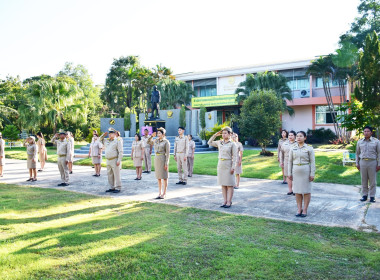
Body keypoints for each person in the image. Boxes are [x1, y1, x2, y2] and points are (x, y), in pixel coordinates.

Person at [208, 127, 237, 208]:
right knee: (223, 184)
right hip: (221, 164)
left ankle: (229, 201)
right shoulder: (219, 142)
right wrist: (215, 135)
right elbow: (209, 142)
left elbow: (235, 157)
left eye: (225, 133)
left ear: (230, 134)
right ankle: (224, 201)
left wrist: (233, 167)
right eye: (223, 133)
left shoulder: (232, 144)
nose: (224, 135)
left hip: (228, 164)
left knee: (229, 184)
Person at [288, 131, 315, 218]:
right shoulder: (292, 148)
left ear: (305, 138)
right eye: (297, 136)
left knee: (306, 191)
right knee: (297, 191)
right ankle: (299, 209)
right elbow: (290, 161)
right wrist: (289, 173)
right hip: (296, 171)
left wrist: (312, 174)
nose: (298, 138)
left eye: (301, 136)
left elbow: (312, 162)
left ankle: (305, 209)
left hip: (306, 171)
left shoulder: (309, 148)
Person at [356, 126, 380, 203]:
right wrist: (357, 163)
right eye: (365, 131)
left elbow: (379, 153)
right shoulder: (360, 142)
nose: (366, 133)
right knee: (364, 180)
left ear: (371, 133)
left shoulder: (376, 142)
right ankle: (364, 195)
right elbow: (357, 153)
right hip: (363, 162)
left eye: (368, 131)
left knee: (373, 181)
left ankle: (372, 196)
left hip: (372, 162)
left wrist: (379, 164)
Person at [147, 127, 170, 199]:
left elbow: (168, 154)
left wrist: (166, 163)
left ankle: (164, 193)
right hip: (157, 159)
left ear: (163, 134)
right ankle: (159, 193)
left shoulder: (166, 142)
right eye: (157, 133)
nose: (158, 134)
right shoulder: (156, 140)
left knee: (164, 177)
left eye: (159, 133)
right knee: (158, 177)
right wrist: (151, 136)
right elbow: (148, 142)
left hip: (163, 159)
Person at [100, 128, 123, 193]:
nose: (110, 135)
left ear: (115, 134)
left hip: (114, 159)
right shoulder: (106, 140)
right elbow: (100, 140)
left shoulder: (118, 140)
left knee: (116, 174)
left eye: (111, 134)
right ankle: (111, 187)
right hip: (108, 160)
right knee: (110, 174)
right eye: (109, 134)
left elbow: (120, 151)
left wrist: (119, 160)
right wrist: (103, 135)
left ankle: (118, 187)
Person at [279, 130, 297, 195]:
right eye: (289, 135)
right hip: (286, 161)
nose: (290, 136)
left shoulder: (297, 143)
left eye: (292, 135)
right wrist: (281, 161)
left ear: (295, 136)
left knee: (295, 176)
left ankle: (295, 190)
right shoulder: (285, 143)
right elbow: (281, 153)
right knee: (288, 176)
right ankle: (290, 190)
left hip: (295, 162)